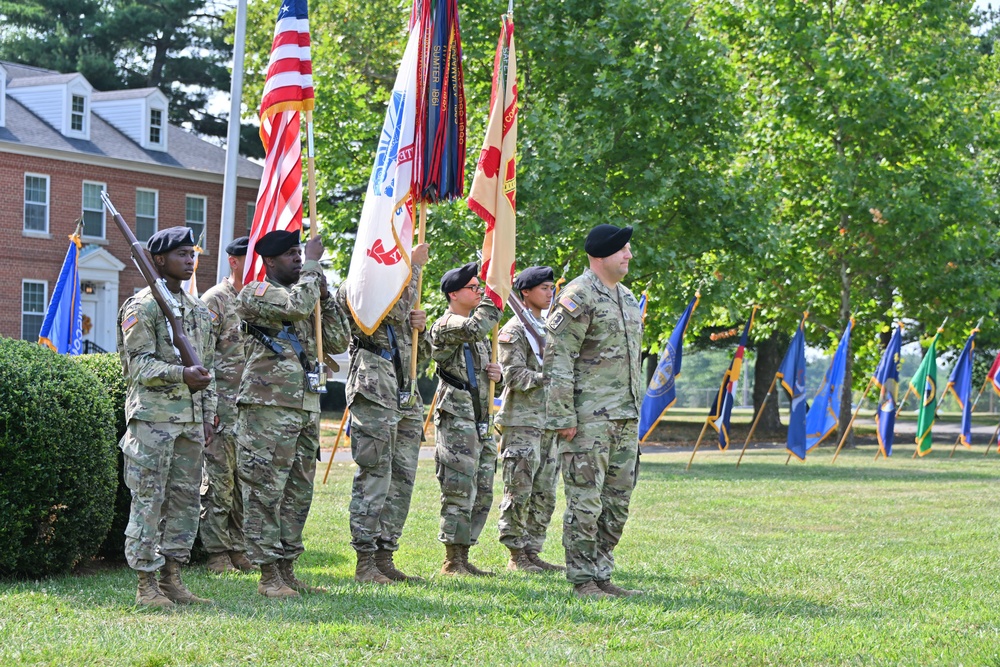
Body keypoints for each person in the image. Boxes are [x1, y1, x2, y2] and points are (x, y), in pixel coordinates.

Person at [235, 229, 351, 598]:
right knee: (265, 491)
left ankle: (287, 568)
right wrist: (314, 270)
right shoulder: (256, 293)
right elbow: (294, 308)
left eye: (301, 253)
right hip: (267, 408)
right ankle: (268, 575)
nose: (299, 258)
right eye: (290, 254)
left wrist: (326, 296)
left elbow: (338, 340)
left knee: (298, 493)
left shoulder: (308, 292)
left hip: (304, 406)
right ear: (269, 262)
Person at [543, 224, 645, 599]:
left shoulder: (629, 298)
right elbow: (558, 360)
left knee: (617, 502)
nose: (629, 255)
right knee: (585, 503)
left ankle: (602, 574)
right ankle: (583, 579)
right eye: (623, 250)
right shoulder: (577, 296)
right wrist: (563, 417)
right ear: (601, 254)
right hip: (588, 420)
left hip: (625, 416)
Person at [116, 226, 216, 608]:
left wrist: (208, 416)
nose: (190, 261)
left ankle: (173, 579)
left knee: (185, 503)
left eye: (193, 254)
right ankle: (146, 585)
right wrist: (180, 374)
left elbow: (208, 369)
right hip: (154, 421)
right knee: (148, 501)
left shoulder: (197, 311)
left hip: (190, 422)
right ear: (159, 260)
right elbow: (138, 365)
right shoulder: (142, 306)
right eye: (182, 255)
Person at [337, 242, 430, 584]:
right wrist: (415, 269)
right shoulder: (359, 284)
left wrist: (419, 326)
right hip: (374, 386)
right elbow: (387, 310)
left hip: (405, 389)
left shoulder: (400, 288)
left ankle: (384, 554)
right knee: (375, 473)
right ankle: (365, 562)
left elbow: (418, 351)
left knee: (402, 477)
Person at [429, 262, 503, 576]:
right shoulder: (446, 324)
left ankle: (465, 553)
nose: (478, 291)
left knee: (482, 488)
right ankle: (452, 560)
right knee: (458, 487)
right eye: (473, 288)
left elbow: (481, 373)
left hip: (480, 417)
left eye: (480, 286)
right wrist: (496, 293)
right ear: (454, 293)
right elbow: (475, 327)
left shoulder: (478, 334)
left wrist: (495, 376)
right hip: (457, 416)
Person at [496, 265, 564, 573]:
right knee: (519, 489)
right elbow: (513, 375)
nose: (550, 293)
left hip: (549, 421)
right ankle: (516, 555)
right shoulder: (515, 329)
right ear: (526, 292)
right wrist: (547, 377)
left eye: (551, 288)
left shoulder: (547, 327)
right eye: (545, 288)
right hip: (522, 421)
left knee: (545, 493)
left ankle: (533, 550)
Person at [198, 236, 256, 574]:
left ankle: (238, 548)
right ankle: (217, 554)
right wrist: (210, 408)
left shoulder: (257, 300)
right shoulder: (215, 301)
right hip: (223, 408)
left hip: (251, 410)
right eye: (247, 259)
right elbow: (202, 357)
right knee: (219, 482)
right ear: (233, 261)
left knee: (244, 484)